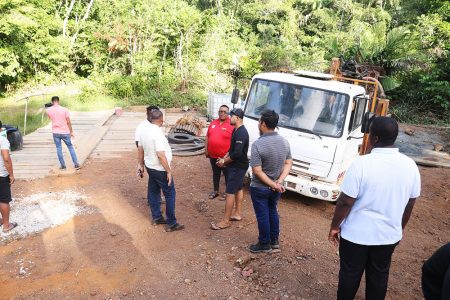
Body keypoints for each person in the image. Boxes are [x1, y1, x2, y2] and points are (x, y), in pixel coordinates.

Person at [328, 116, 421, 300]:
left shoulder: (361, 163)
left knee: (350, 274)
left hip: (356, 236)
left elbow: (345, 201)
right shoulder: (410, 166)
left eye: (370, 134)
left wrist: (334, 226)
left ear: (375, 139)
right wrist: (398, 229)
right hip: (387, 236)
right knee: (379, 276)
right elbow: (410, 203)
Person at [248, 110, 292, 253]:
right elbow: (288, 163)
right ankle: (274, 241)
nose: (258, 124)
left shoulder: (257, 145)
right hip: (276, 187)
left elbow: (257, 171)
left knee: (263, 215)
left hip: (260, 187)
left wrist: (273, 184)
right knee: (272, 211)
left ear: (264, 124)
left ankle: (264, 243)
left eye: (259, 122)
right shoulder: (284, 142)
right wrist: (278, 182)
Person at [137, 110, 184, 232]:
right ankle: (171, 223)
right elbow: (160, 154)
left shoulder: (143, 130)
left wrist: (140, 165)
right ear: (161, 120)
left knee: (153, 191)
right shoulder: (157, 133)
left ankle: (157, 217)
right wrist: (168, 171)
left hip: (150, 166)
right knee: (170, 193)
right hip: (160, 168)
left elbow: (140, 149)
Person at [211, 108, 249, 230]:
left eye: (231, 116)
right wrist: (224, 158)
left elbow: (237, 154)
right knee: (238, 188)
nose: (229, 117)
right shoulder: (236, 130)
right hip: (236, 166)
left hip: (238, 167)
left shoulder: (241, 133)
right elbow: (231, 149)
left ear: (237, 117)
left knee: (230, 192)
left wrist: (224, 161)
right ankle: (237, 213)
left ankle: (225, 221)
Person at [205, 105, 234, 200]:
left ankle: (227, 192)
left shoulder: (232, 124)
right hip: (213, 154)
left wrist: (229, 155)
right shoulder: (213, 122)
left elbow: (234, 141)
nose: (222, 113)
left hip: (225, 156)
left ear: (228, 113)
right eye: (221, 111)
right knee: (215, 173)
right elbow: (207, 137)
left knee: (227, 174)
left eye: (225, 112)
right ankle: (216, 191)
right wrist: (206, 150)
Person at [46, 96, 80, 170]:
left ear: (52, 102)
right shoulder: (65, 109)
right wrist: (71, 131)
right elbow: (68, 121)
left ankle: (63, 166)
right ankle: (76, 164)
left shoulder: (48, 110)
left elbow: (50, 118)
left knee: (58, 148)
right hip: (65, 132)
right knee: (70, 147)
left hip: (55, 132)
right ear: (59, 101)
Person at [0, 120, 17, 232]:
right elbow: (6, 158)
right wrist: (11, 174)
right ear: (1, 128)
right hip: (1, 175)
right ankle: (6, 225)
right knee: (4, 200)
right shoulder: (2, 140)